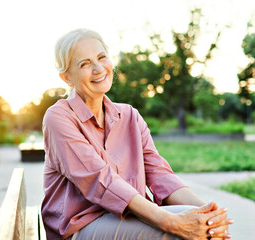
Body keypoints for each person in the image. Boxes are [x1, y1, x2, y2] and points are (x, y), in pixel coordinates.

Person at [41, 28, 233, 240]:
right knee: (180, 233)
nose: (98, 69)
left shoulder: (130, 115)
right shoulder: (58, 117)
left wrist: (208, 212)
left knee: (205, 227)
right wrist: (170, 222)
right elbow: (99, 180)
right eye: (84, 64)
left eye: (101, 57)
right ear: (66, 77)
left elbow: (159, 173)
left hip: (127, 218)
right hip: (80, 225)